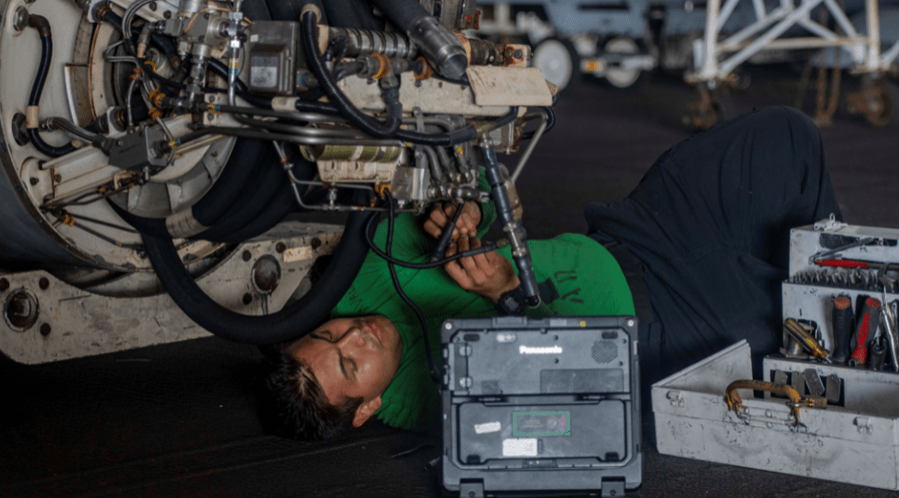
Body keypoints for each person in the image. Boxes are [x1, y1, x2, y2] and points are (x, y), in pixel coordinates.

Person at [256, 106, 841, 441]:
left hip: (628, 232)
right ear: (367, 408)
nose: (357, 334)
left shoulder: (358, 274)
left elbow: (479, 177)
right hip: (661, 322)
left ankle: (801, 262)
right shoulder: (429, 404)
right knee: (810, 327)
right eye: (352, 364)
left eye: (329, 335)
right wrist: (507, 292)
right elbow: (571, 385)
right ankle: (819, 278)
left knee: (786, 136)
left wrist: (468, 208)